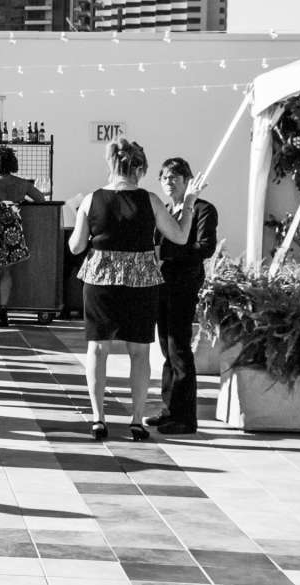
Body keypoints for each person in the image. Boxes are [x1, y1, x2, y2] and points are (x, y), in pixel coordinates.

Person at [70, 137, 191, 440]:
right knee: (139, 351)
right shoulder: (150, 199)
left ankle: (99, 419)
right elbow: (179, 236)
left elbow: (75, 247)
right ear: (139, 167)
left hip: (101, 279)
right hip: (141, 280)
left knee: (98, 350)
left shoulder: (91, 199)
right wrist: (188, 204)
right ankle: (136, 420)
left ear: (111, 164)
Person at [148, 156, 219, 434]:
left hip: (184, 283)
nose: (169, 182)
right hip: (162, 283)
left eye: (175, 178)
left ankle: (185, 417)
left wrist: (167, 254)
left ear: (188, 180)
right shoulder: (166, 209)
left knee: (179, 348)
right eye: (165, 178)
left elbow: (205, 247)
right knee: (166, 348)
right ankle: (169, 408)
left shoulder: (203, 209)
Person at [0, 144, 46, 325]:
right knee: (7, 272)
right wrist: (20, 201)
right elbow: (41, 199)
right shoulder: (22, 183)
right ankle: (3, 311)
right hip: (13, 230)